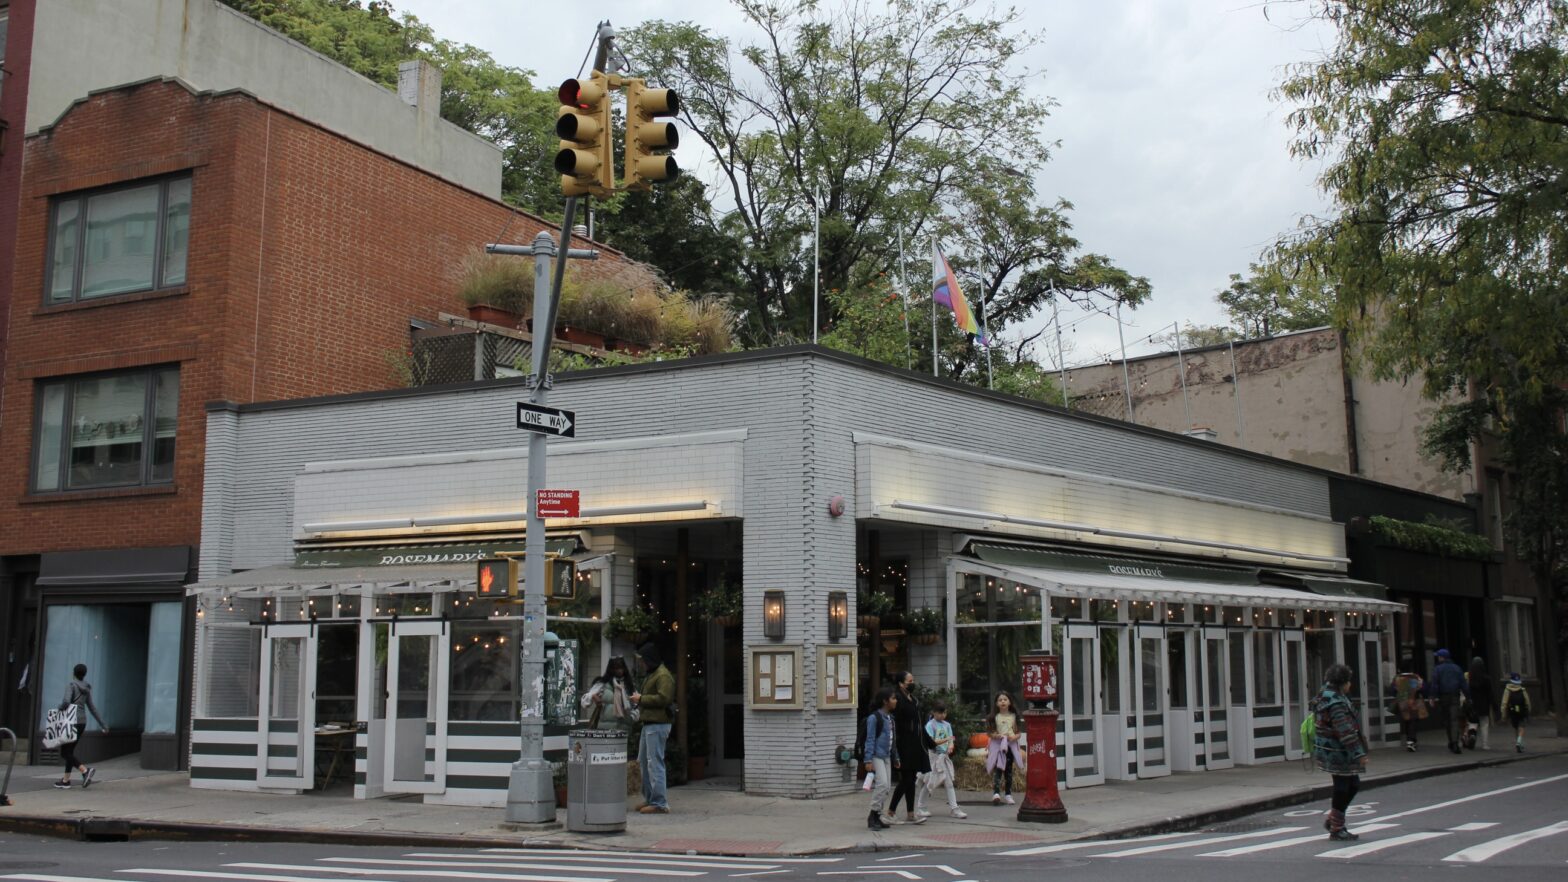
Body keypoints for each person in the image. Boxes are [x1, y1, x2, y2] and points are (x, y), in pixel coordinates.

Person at [1312, 663, 1368, 841]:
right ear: (1343, 682)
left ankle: (1334, 820)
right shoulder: (1335, 701)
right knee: (1344, 787)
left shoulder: (1326, 696)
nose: (1350, 685)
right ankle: (1336, 827)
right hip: (1338, 751)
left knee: (1352, 785)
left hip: (1331, 749)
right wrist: (1359, 753)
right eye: (1348, 681)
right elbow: (1344, 730)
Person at [630, 642, 674, 814]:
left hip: (658, 724)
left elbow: (664, 698)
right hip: (649, 723)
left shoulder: (663, 676)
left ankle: (660, 802)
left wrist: (641, 699)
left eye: (643, 660)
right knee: (644, 762)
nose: (641, 664)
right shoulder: (654, 673)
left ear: (649, 659)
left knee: (654, 762)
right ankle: (650, 798)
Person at [54, 663, 108, 790]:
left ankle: (85, 771)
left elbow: (66, 702)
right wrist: (103, 724)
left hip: (71, 722)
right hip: (82, 723)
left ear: (74, 673)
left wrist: (59, 708)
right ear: (84, 674)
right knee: (70, 751)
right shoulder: (87, 688)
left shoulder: (71, 685)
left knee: (65, 752)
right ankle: (66, 781)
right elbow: (92, 708)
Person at [887, 671, 931, 824]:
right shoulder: (897, 699)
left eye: (913, 680)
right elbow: (895, 722)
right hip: (903, 743)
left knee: (911, 779)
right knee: (906, 779)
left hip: (914, 743)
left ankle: (911, 813)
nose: (912, 683)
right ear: (901, 683)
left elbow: (918, 723)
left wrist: (929, 742)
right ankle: (891, 811)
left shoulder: (912, 699)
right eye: (909, 681)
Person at [923, 700, 968, 819]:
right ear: (933, 712)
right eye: (939, 713)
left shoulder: (947, 725)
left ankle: (954, 808)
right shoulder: (930, 725)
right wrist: (947, 740)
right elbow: (931, 741)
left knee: (949, 783)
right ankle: (921, 807)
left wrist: (950, 746)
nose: (942, 715)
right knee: (929, 782)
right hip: (933, 756)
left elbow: (951, 739)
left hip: (944, 757)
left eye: (944, 713)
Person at [863, 687, 899, 830]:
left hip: (887, 756)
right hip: (876, 755)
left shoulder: (891, 719)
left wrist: (895, 756)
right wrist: (868, 760)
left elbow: (893, 739)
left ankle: (877, 815)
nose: (895, 701)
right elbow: (870, 739)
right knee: (882, 784)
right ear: (885, 701)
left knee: (887, 787)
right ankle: (872, 815)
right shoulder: (874, 718)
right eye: (893, 698)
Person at [1426, 648, 1469, 754]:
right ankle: (1455, 742)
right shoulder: (1457, 668)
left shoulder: (1438, 669)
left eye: (1438, 657)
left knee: (1447, 720)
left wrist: (1432, 697)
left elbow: (1435, 684)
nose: (1438, 658)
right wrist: (1469, 696)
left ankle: (1451, 741)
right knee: (1454, 719)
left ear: (1442, 657)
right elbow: (1463, 684)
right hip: (1455, 696)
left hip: (1443, 697)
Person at [985, 691, 1024, 805]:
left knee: (1008, 771)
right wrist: (997, 736)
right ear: (996, 703)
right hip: (998, 746)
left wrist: (1013, 737)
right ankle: (996, 793)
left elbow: (1018, 733)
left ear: (1009, 702)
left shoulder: (1013, 716)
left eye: (1005, 699)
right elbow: (990, 733)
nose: (1003, 701)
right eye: (1000, 700)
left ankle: (1008, 794)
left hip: (1010, 746)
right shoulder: (994, 717)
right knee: (998, 769)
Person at [581, 656, 636, 731]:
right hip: (606, 731)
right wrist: (593, 696)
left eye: (621, 667)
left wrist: (632, 717)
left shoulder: (629, 685)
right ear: (611, 669)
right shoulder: (603, 684)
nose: (619, 670)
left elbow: (636, 705)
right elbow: (585, 701)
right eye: (616, 668)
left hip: (625, 731)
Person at [1389, 661, 1425, 752]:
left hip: (1402, 702)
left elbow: (1392, 690)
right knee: (1413, 722)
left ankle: (1410, 740)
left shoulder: (1397, 678)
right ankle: (1411, 741)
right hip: (1414, 701)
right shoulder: (1416, 677)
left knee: (1406, 721)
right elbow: (1422, 688)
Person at [1465, 656, 1496, 750]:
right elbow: (1490, 693)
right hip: (1484, 704)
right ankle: (1485, 744)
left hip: (1473, 703)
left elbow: (1468, 691)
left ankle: (1472, 734)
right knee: (1484, 724)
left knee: (1473, 722)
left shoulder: (1470, 679)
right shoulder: (1486, 679)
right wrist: (1493, 704)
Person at [1501, 673, 1531, 753]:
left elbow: (1504, 703)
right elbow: (1527, 701)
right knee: (1522, 727)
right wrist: (1528, 710)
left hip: (1512, 712)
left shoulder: (1507, 690)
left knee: (1516, 727)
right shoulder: (1522, 690)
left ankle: (1519, 743)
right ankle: (1519, 742)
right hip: (1522, 711)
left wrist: (1503, 715)